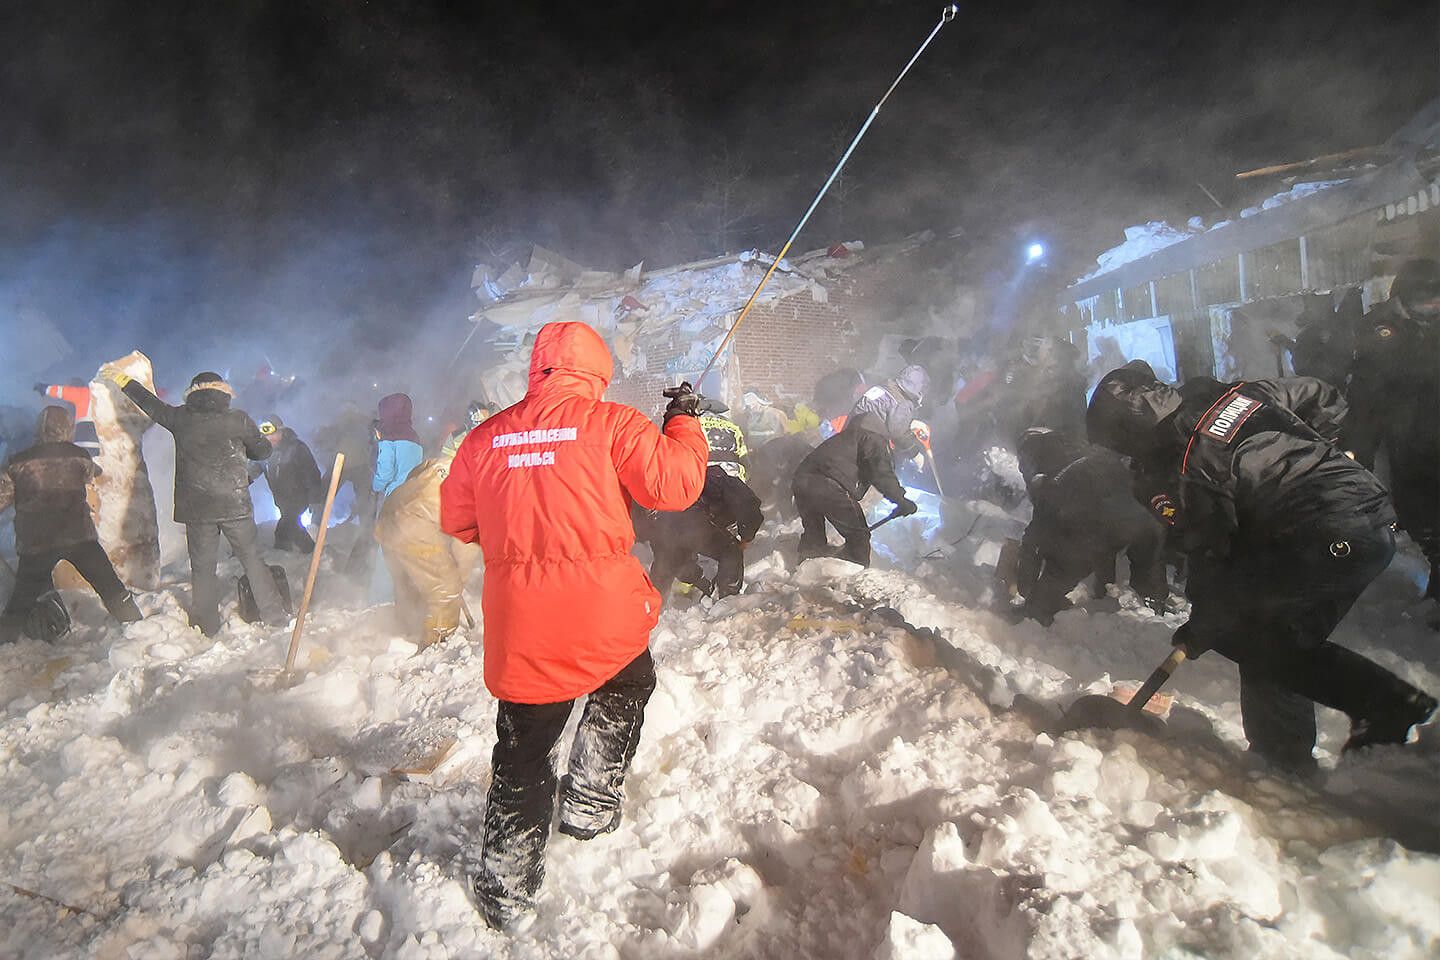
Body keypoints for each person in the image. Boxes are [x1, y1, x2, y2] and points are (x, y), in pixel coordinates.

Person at [438, 321, 708, 929]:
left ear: (537, 369)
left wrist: (514, 541)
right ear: (597, 369)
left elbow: (457, 519)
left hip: (523, 626)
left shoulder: (485, 438)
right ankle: (589, 802)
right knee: (626, 683)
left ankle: (506, 892)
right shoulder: (613, 423)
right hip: (602, 613)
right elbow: (677, 485)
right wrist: (685, 419)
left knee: (522, 754)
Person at [1088, 362, 1437, 769]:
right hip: (1369, 520)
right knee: (1281, 639)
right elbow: (1322, 394)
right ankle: (1369, 715)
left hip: (1321, 534)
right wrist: (1327, 457)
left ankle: (1299, 752)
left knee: (1257, 638)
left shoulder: (1186, 467)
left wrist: (1205, 622)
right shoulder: (1231, 394)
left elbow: (1213, 552)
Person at [100, 367, 287, 635]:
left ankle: (205, 625)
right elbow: (263, 452)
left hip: (198, 509)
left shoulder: (180, 418)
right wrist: (252, 443)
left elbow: (151, 405)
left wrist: (124, 381)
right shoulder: (238, 420)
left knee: (202, 568)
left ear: (193, 393)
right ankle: (275, 616)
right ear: (223, 392)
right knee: (253, 560)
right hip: (235, 506)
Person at [1344, 258, 1440, 606]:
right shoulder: (1381, 329)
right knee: (1418, 513)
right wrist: (1357, 448)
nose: (1435, 305)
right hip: (1408, 439)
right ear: (1406, 297)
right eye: (1428, 299)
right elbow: (1366, 395)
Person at [0, 406, 142, 641]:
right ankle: (136, 626)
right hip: (79, 537)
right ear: (67, 428)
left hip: (37, 543)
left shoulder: (17, 463)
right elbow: (92, 472)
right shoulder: (78, 456)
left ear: (40, 428)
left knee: (21, 599)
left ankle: (5, 641)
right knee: (110, 586)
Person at [1013, 428, 1168, 624]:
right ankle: (1153, 601)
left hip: (1093, 519)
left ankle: (1037, 611)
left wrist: (1027, 585)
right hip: (1141, 506)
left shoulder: (1042, 470)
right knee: (1141, 538)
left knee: (1064, 562)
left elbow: (1038, 532)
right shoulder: (1080, 448)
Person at [376, 435, 481, 648]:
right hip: (412, 527)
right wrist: (457, 579)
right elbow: (466, 548)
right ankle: (436, 644)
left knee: (408, 582)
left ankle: (405, 627)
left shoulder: (444, 464)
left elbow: (415, 475)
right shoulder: (479, 489)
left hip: (388, 515)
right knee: (446, 589)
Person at [791, 411, 917, 567]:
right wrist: (901, 499)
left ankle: (804, 571)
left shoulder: (853, 436)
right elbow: (881, 473)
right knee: (859, 537)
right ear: (895, 444)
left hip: (802, 480)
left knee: (814, 534)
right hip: (828, 484)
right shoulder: (874, 439)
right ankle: (853, 576)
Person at [637, 464, 764, 599]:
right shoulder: (720, 481)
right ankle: (728, 600)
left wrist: (699, 580)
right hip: (690, 520)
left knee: (665, 565)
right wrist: (746, 537)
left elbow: (668, 552)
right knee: (731, 551)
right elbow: (749, 505)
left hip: (672, 526)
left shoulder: (668, 490)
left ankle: (651, 608)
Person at [257, 415, 323, 553]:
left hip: (299, 496)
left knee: (288, 525)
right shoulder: (264, 453)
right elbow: (253, 470)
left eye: (273, 435)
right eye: (265, 436)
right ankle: (290, 553)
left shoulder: (296, 448)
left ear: (281, 431)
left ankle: (308, 552)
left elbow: (311, 474)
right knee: (289, 526)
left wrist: (314, 499)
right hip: (281, 499)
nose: (269, 439)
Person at [850, 364, 929, 457]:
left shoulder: (884, 387)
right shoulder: (904, 404)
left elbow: (886, 415)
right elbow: (897, 433)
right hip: (863, 446)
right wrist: (914, 452)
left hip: (850, 432)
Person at [373, 393, 425, 500]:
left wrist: (375, 486)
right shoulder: (414, 436)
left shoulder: (389, 437)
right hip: (413, 494)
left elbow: (385, 473)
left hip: (394, 497)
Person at [34, 380, 101, 456]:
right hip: (101, 444)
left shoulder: (85, 394)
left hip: (82, 440)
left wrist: (46, 389)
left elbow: (63, 392)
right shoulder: (110, 399)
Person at [696, 396, 749, 480]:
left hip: (704, 476)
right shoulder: (733, 428)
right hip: (732, 476)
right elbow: (745, 459)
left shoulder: (693, 425)